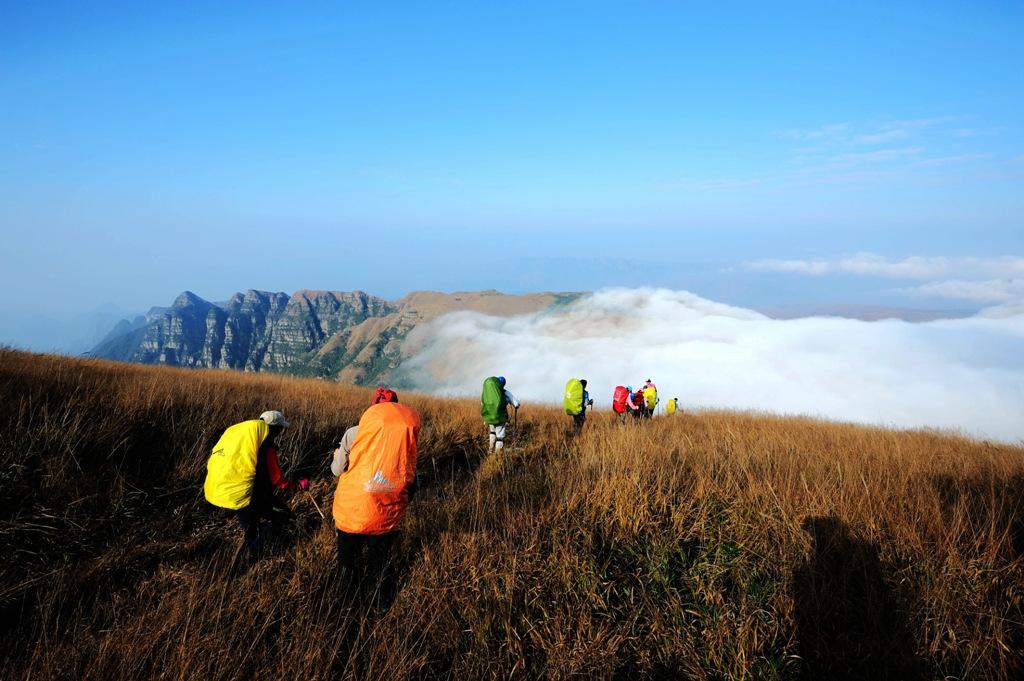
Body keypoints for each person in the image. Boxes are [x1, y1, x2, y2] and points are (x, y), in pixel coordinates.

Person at [332, 399, 420, 598]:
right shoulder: (405, 439)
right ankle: (382, 605)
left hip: (351, 510)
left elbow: (337, 470)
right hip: (385, 513)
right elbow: (411, 480)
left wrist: (338, 455)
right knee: (380, 561)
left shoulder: (354, 432)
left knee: (348, 562)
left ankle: (346, 605)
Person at [204, 410, 309, 565]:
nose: (281, 432)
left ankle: (247, 556)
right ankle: (251, 555)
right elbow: (277, 479)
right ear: (274, 428)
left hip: (238, 493)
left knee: (250, 527)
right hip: (254, 495)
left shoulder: (247, 443)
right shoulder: (267, 447)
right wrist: (297, 486)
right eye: (280, 428)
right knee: (283, 516)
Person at [332, 387, 399, 477]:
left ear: (373, 409)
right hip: (395, 488)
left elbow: (338, 471)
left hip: (361, 487)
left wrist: (337, 457)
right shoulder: (403, 436)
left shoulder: (353, 433)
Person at [481, 375, 520, 451]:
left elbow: (482, 403)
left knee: (492, 432)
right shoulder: (504, 392)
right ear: (503, 384)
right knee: (500, 436)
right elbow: (516, 403)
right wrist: (516, 405)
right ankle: (497, 455)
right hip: (500, 417)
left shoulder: (487, 393)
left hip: (489, 417)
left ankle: (490, 450)